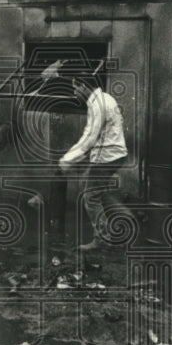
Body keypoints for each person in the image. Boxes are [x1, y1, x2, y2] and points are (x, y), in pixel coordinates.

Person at [58, 70, 130, 251]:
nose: (74, 92)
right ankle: (126, 218)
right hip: (113, 154)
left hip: (108, 157)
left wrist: (68, 159)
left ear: (84, 86)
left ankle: (103, 240)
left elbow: (90, 137)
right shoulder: (105, 98)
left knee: (90, 196)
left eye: (75, 87)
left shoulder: (97, 104)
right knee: (94, 190)